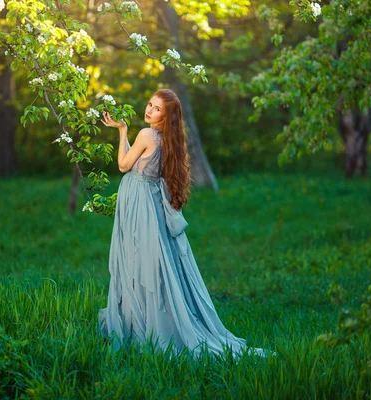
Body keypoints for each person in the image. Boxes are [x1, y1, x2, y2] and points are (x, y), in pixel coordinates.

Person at [98, 88, 274, 360]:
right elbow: (140, 164)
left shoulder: (145, 135)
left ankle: (142, 324)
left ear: (166, 116)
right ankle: (146, 317)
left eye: (157, 109)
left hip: (140, 205)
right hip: (149, 204)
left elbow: (123, 165)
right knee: (151, 261)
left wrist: (122, 131)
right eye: (149, 104)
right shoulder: (167, 139)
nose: (149, 110)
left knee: (137, 260)